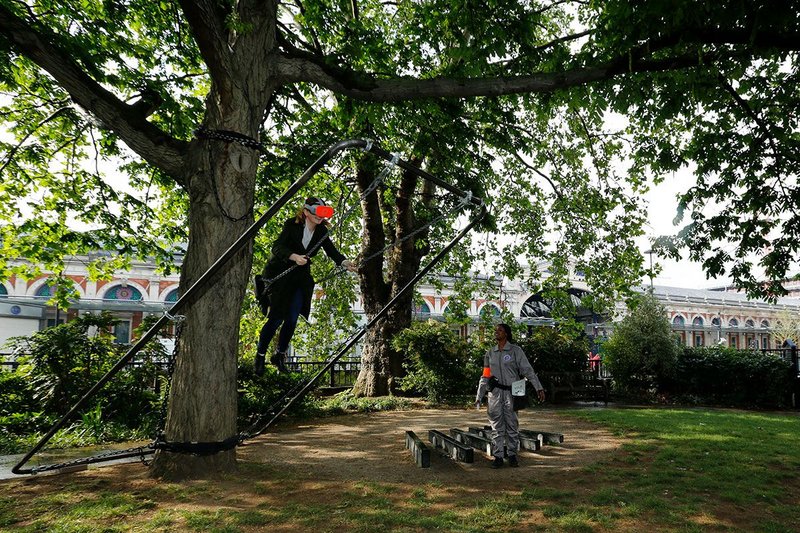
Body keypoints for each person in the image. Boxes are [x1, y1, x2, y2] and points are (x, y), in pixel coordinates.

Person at [254, 197, 356, 375]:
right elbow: (277, 247)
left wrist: (345, 262)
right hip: (279, 276)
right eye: (317, 212)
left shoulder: (321, 231)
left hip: (300, 279)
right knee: (277, 318)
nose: (320, 217)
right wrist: (294, 256)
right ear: (307, 212)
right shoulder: (291, 225)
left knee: (292, 317)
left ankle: (279, 355)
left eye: (323, 213)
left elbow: (332, 251)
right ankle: (260, 355)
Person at [475, 323, 545, 468]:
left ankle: (512, 455)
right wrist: (479, 395)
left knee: (512, 424)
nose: (496, 332)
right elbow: (485, 375)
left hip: (513, 391)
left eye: (500, 330)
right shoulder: (490, 353)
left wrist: (538, 387)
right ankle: (498, 456)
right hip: (495, 393)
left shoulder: (515, 351)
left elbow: (528, 371)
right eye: (496, 330)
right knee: (496, 426)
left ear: (506, 333)